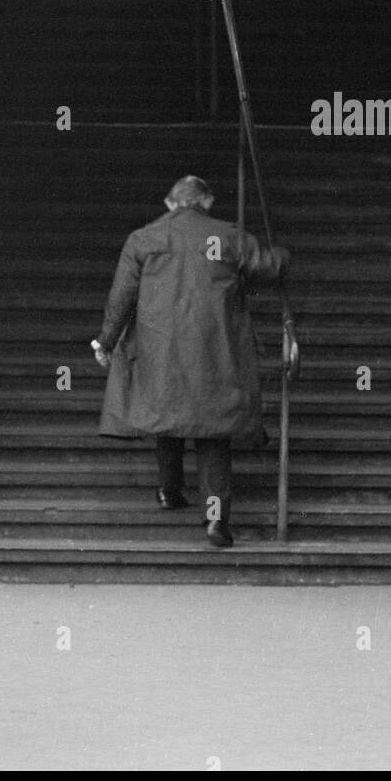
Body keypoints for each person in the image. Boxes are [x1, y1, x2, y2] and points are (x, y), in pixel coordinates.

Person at [92, 174, 290, 549]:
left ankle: (169, 490)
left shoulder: (143, 239)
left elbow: (122, 295)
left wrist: (106, 340)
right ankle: (216, 521)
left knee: (166, 413)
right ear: (207, 202)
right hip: (215, 352)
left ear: (170, 203)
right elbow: (267, 266)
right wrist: (282, 254)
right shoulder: (228, 236)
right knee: (213, 436)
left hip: (159, 350)